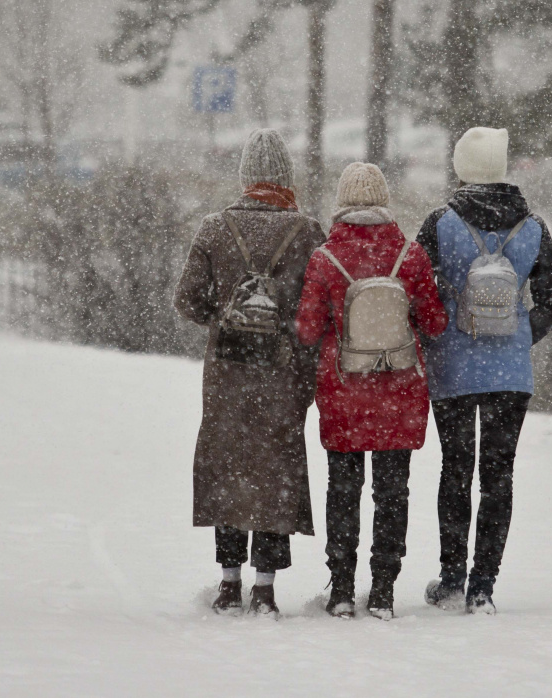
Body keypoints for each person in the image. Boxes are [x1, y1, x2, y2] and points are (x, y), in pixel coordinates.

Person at [416, 127, 552, 614]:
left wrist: (441, 330)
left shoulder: (440, 224)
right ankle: (484, 587)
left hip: (453, 368)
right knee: (498, 478)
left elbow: (415, 289)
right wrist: (521, 334)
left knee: (455, 471)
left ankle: (452, 579)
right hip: (510, 374)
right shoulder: (534, 229)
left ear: (462, 168)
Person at [174, 129, 324, 619]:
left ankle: (227, 583)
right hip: (283, 375)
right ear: (285, 176)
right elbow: (317, 312)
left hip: (228, 375)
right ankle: (265, 588)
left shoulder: (215, 229)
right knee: (276, 470)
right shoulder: (306, 232)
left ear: (244, 178)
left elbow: (187, 301)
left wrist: (225, 319)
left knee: (231, 466)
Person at [296, 162, 448, 620]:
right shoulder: (412, 255)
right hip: (399, 395)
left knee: (343, 490)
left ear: (342, 203)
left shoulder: (325, 259)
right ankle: (383, 590)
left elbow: (305, 330)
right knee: (392, 491)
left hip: (344, 393)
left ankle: (342, 590)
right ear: (384, 201)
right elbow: (436, 324)